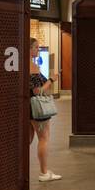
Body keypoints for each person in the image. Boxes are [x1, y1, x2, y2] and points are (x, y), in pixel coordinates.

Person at [29, 38, 62, 181]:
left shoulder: (23, 66)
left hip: (27, 108)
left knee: (28, 139)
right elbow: (38, 91)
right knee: (43, 138)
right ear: (29, 49)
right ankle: (44, 172)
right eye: (36, 47)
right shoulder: (32, 67)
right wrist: (52, 79)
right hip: (37, 108)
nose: (38, 49)